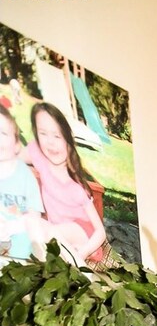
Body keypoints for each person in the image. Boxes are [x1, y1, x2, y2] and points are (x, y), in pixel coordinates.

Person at [25, 101, 106, 263]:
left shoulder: (76, 188)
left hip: (84, 236)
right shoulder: (39, 154)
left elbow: (100, 232)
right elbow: (14, 156)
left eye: (57, 136)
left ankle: (77, 267)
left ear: (69, 143)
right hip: (59, 235)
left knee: (49, 234)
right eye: (43, 133)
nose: (50, 142)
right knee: (32, 223)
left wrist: (83, 253)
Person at [0, 104, 44, 259]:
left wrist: (13, 226)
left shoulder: (25, 177)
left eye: (3, 133)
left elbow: (34, 218)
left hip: (18, 258)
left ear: (17, 144)